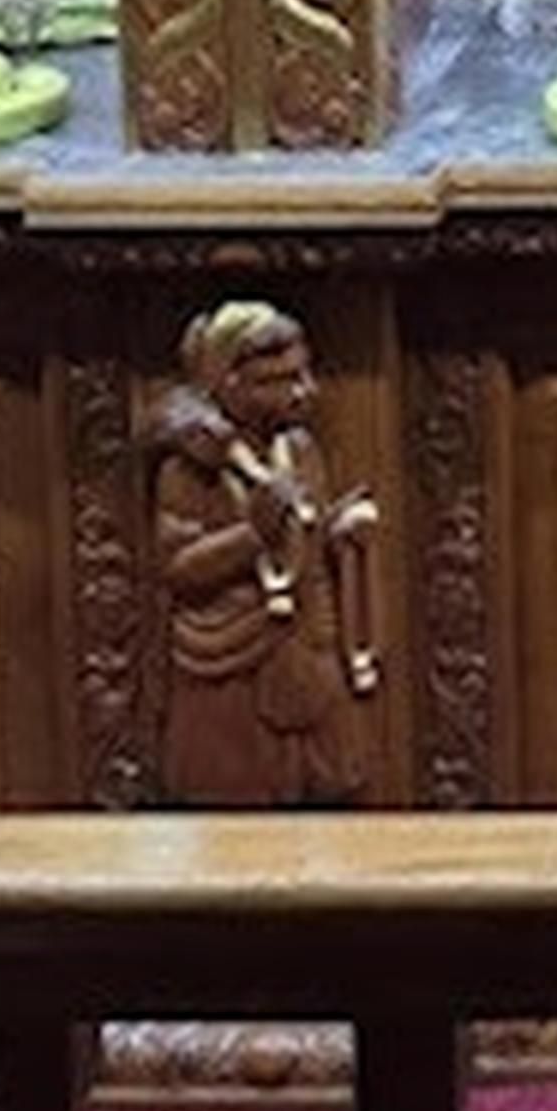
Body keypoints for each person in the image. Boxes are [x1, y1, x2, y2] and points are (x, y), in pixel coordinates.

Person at [149, 297, 385, 809]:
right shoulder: (188, 470)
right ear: (231, 384)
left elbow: (306, 531)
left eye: (304, 374)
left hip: (305, 643)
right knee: (233, 798)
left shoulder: (298, 449)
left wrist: (340, 529)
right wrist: (252, 534)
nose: (306, 391)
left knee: (328, 792)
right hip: (228, 661)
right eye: (281, 380)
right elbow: (177, 568)